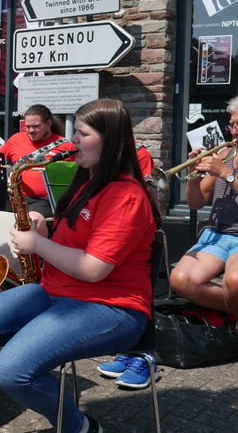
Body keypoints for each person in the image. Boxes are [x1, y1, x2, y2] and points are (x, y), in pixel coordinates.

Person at [0, 98, 161, 433]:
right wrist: (42, 225)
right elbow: (74, 239)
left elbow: (94, 268)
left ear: (110, 140)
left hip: (111, 307)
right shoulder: (87, 180)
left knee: (12, 370)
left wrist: (37, 244)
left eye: (81, 134)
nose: (72, 142)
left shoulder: (126, 196)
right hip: (57, 291)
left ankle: (78, 426)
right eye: (74, 133)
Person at [169, 92, 238, 351]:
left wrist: (225, 174)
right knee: (181, 280)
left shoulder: (223, 165)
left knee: (235, 282)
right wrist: (193, 175)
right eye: (232, 125)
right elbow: (195, 203)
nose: (235, 131)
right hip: (216, 234)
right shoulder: (226, 153)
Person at [96, 141, 160, 389]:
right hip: (108, 219)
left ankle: (146, 356)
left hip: (132, 222)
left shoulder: (138, 154)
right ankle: (130, 351)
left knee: (138, 286)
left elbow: (147, 194)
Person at [0, 103, 76, 219]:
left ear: (49, 123)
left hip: (43, 201)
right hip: (14, 198)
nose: (30, 130)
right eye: (27, 126)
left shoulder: (66, 146)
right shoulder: (16, 139)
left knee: (33, 222)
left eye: (36, 126)